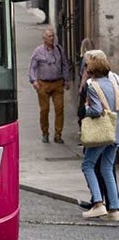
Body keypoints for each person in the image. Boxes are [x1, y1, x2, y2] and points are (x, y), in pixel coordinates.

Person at [79, 50, 119, 220]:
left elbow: (95, 110)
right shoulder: (115, 82)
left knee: (87, 165)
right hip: (115, 130)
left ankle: (97, 203)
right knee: (107, 168)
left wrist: (86, 109)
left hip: (101, 132)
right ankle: (114, 209)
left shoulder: (92, 85)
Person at [29, 28, 72, 143]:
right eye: (49, 36)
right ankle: (45, 133)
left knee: (59, 109)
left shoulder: (58, 49)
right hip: (43, 84)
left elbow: (64, 65)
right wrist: (34, 81)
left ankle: (58, 134)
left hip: (57, 83)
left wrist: (66, 80)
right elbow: (32, 67)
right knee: (44, 110)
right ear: (44, 39)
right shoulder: (38, 51)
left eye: (53, 36)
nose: (52, 38)